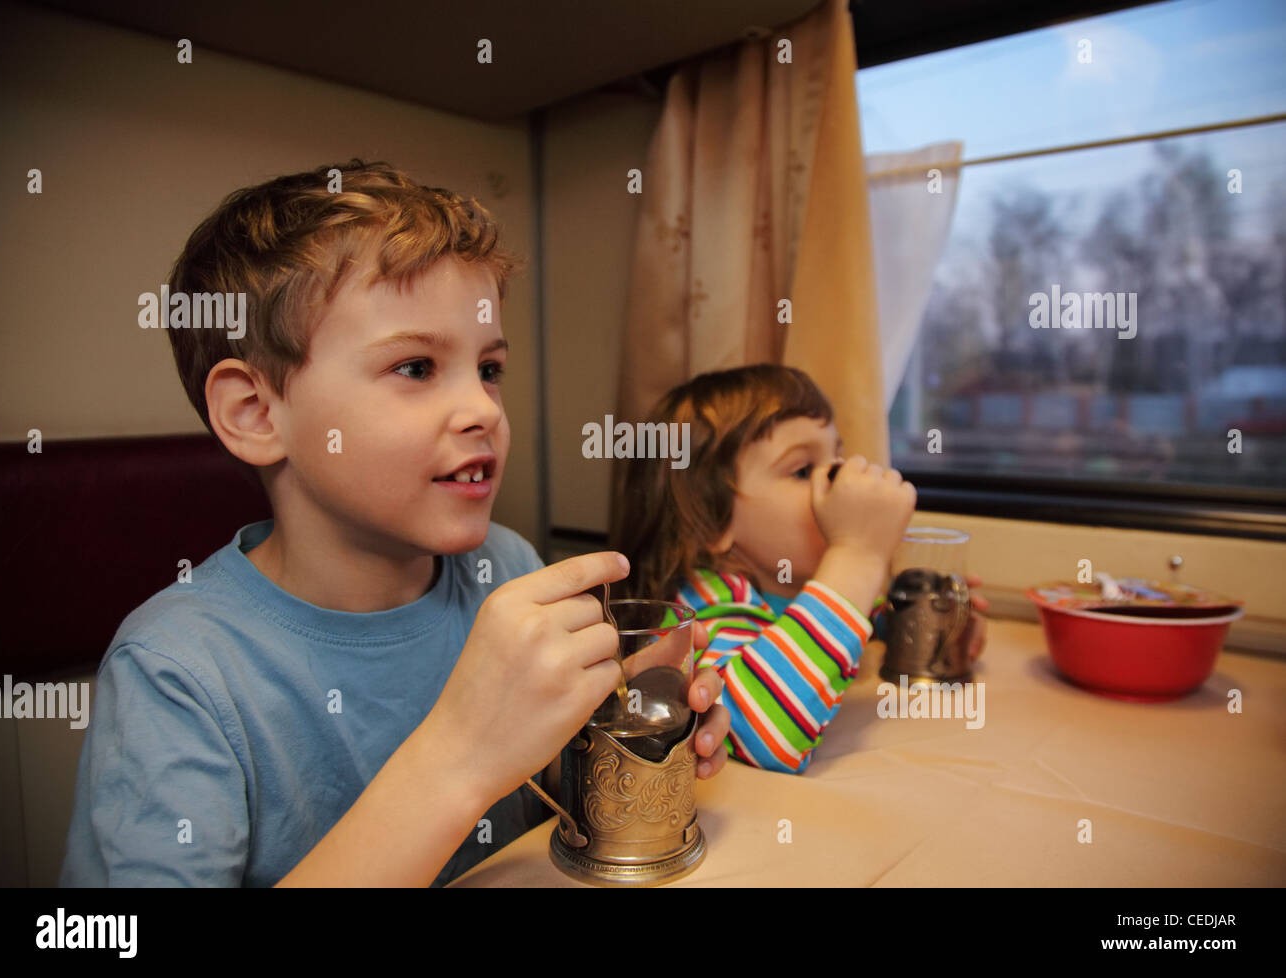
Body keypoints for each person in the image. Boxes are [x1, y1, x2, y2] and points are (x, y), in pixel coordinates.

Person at [59, 160, 730, 887]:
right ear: (256, 414)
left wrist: (635, 738)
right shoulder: (178, 672)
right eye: (415, 368)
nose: (484, 410)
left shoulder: (506, 569)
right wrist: (459, 758)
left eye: (490, 369)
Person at [610, 365, 987, 774]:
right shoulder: (702, 611)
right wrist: (857, 554)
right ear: (714, 522)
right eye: (804, 470)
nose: (837, 479)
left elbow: (862, 623)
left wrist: (931, 628)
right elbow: (758, 730)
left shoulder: (793, 586)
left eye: (837, 457)